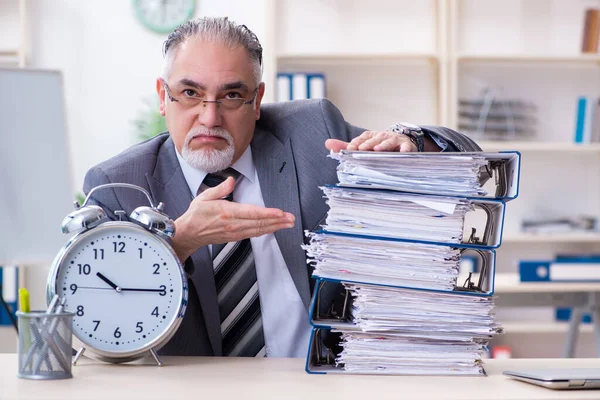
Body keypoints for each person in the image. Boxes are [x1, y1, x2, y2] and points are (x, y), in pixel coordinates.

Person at [83, 17, 481, 358]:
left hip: (319, 385)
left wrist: (411, 144)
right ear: (162, 97)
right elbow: (93, 322)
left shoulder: (312, 133)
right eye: (190, 93)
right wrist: (179, 242)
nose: (210, 116)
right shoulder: (120, 186)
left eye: (232, 95)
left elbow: (472, 165)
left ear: (256, 101)